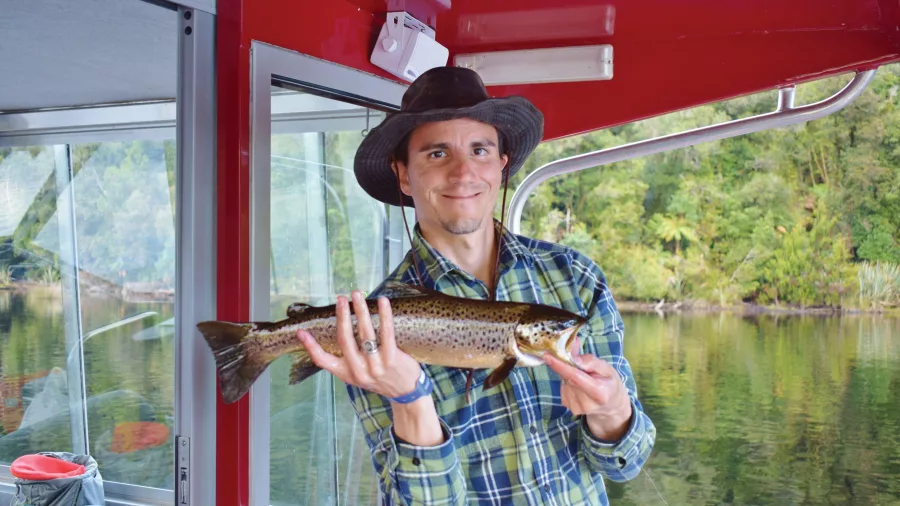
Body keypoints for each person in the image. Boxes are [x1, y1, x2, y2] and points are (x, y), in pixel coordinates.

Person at [297, 66, 656, 505]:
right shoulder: (377, 327)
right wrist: (411, 401)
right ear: (404, 175)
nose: (463, 173)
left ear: (502, 166)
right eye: (436, 154)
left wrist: (612, 410)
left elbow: (625, 463)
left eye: (480, 150)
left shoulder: (576, 280)